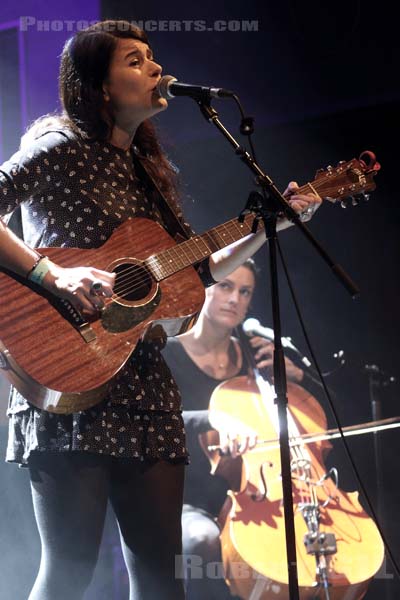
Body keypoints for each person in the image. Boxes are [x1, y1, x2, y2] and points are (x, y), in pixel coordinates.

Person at [0, 20, 320, 600]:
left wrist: (269, 227)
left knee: (161, 575)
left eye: (153, 56)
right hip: (67, 369)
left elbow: (190, 276)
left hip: (145, 388)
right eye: (134, 59)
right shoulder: (58, 145)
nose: (155, 68)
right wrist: (54, 272)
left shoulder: (150, 173)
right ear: (99, 86)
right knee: (70, 572)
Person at [162, 259, 308, 599]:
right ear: (201, 288)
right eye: (225, 286)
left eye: (245, 292)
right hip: (184, 498)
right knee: (203, 541)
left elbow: (296, 424)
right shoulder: (166, 352)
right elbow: (152, 420)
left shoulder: (256, 359)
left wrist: (296, 379)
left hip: (256, 493)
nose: (234, 299)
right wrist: (214, 418)